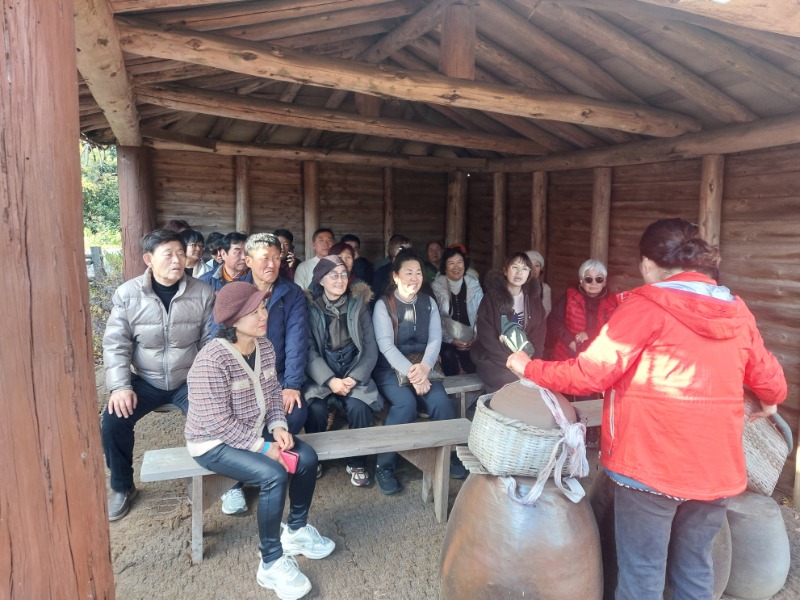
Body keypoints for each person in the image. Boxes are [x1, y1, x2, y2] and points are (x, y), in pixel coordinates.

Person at [507, 218, 787, 600]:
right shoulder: (736, 311)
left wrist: (528, 367)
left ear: (648, 264)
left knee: (642, 574)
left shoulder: (645, 307)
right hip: (714, 470)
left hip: (649, 465)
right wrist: (769, 402)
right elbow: (771, 379)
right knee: (695, 568)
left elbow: (590, 374)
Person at [186, 282, 334, 599]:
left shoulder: (263, 346)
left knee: (306, 458)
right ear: (233, 320)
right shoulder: (212, 360)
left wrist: (279, 427)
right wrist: (264, 447)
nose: (263, 315)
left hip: (253, 430)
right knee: (273, 474)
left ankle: (295, 531)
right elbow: (217, 423)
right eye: (254, 312)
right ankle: (270, 561)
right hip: (211, 442)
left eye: (263, 307)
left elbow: (271, 394)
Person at [102, 229, 215, 521]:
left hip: (189, 378)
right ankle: (122, 486)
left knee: (210, 419)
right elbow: (117, 344)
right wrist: (120, 386)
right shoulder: (128, 294)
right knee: (114, 420)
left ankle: (200, 480)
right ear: (149, 259)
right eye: (169, 254)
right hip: (146, 380)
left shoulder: (202, 292)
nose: (178, 259)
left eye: (181, 253)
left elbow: (209, 342)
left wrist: (205, 382)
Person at [217, 233, 311, 516]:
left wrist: (291, 385)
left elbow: (297, 340)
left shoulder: (291, 293)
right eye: (264, 258)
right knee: (237, 416)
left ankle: (267, 468)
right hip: (239, 375)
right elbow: (219, 337)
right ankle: (233, 483)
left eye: (277, 258)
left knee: (294, 413)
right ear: (247, 261)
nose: (272, 264)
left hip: (277, 375)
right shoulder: (232, 290)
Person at [372, 250, 467, 495]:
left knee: (440, 401)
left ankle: (448, 456)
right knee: (404, 404)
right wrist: (414, 374)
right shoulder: (384, 305)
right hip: (391, 367)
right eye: (408, 273)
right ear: (395, 276)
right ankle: (385, 465)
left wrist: (424, 368)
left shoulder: (428, 302)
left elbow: (435, 339)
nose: (414, 278)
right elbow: (385, 345)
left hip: (424, 365)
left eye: (418, 273)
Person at [303, 255, 382, 487]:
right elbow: (308, 350)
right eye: (333, 275)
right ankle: (315, 458)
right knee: (315, 409)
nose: (340, 280)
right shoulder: (310, 307)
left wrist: (353, 378)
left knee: (360, 408)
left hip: (353, 370)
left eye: (344, 274)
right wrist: (329, 380)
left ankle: (357, 461)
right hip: (322, 374)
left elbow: (370, 349)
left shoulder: (359, 305)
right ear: (321, 280)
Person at [470, 252, 547, 393]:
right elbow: (487, 338)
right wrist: (511, 362)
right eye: (515, 267)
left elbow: (539, 334)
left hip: (526, 357)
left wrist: (531, 362)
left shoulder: (534, 299)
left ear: (529, 274)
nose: (519, 273)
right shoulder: (491, 298)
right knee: (511, 382)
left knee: (541, 379)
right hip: (495, 358)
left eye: (524, 269)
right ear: (505, 270)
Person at [548, 259, 617, 362]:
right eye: (589, 279)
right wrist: (570, 341)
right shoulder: (569, 297)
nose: (594, 283)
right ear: (581, 281)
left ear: (604, 282)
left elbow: (615, 328)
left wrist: (590, 333)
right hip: (567, 353)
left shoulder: (612, 302)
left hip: (599, 357)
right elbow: (553, 320)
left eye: (599, 279)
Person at [431, 246, 483, 376]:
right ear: (445, 266)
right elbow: (434, 319)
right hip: (446, 338)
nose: (456, 267)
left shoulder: (474, 285)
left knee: (474, 364)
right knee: (448, 358)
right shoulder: (437, 287)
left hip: (471, 338)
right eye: (451, 263)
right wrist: (450, 340)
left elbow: (481, 315)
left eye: (459, 262)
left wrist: (475, 338)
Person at [371, 235, 412, 301]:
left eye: (409, 250)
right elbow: (374, 297)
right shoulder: (382, 272)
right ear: (392, 250)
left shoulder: (414, 271)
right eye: (401, 249)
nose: (406, 252)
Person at [525, 250, 552, 317]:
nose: (534, 269)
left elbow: (545, 312)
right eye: (530, 265)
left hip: (536, 325)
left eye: (537, 266)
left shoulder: (545, 288)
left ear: (540, 269)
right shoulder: (516, 286)